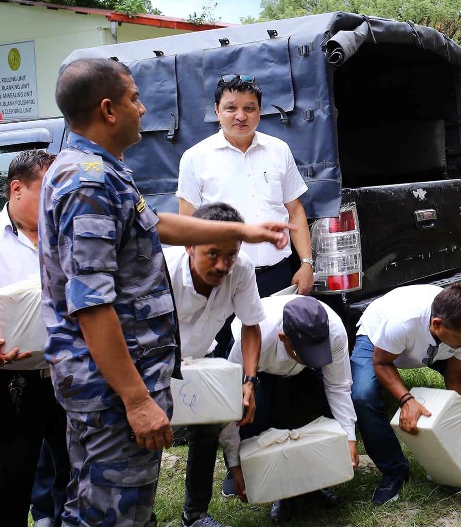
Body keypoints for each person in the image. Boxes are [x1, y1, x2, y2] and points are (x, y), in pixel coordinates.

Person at [38, 58, 290, 527]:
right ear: (109, 109)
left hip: (116, 385)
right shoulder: (88, 182)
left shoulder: (103, 171)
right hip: (111, 391)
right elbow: (92, 304)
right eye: (134, 98)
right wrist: (136, 400)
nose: (143, 106)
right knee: (111, 514)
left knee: (113, 505)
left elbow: (157, 225)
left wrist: (242, 230)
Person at [177, 74, 314, 357]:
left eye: (249, 108)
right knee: (227, 358)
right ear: (217, 111)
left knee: (277, 351)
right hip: (222, 277)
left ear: (259, 112)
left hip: (277, 277)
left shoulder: (279, 150)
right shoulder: (195, 158)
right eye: (231, 108)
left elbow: (295, 210)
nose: (240, 116)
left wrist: (306, 263)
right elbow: (186, 224)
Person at [163, 203, 266, 527]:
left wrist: (249, 381)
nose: (223, 265)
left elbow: (250, 324)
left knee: (207, 431)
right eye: (212, 254)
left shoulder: (242, 268)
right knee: (148, 438)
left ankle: (194, 515)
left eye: (231, 254)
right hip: (150, 360)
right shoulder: (160, 268)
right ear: (190, 245)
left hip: (198, 358)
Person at [351, 283, 461, 504]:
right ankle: (395, 471)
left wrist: (460, 415)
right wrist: (407, 400)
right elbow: (382, 363)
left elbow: (455, 376)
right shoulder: (401, 322)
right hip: (379, 341)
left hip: (432, 345)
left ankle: (455, 456)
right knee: (363, 394)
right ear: (437, 325)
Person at [227, 295, 357, 523]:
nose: (313, 359)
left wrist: (350, 438)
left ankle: (314, 486)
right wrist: (235, 464)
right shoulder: (254, 338)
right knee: (262, 424)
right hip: (260, 371)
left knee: (310, 421)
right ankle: (281, 493)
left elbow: (338, 386)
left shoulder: (334, 330)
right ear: (283, 338)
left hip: (301, 373)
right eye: (307, 353)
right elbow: (229, 406)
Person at [0, 150, 70, 527]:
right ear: (17, 190)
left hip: (69, 374)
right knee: (11, 479)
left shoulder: (70, 234)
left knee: (75, 475)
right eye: (49, 190)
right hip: (14, 382)